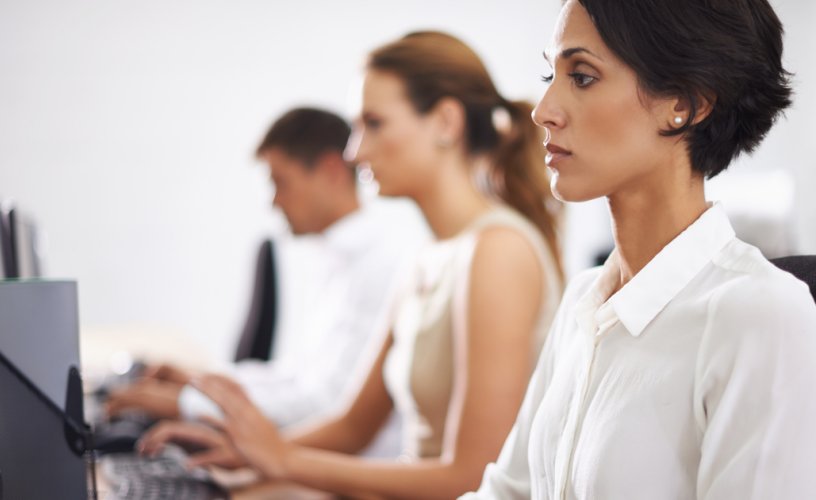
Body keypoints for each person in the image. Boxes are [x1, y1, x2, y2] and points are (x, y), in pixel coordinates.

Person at [137, 31, 565, 499]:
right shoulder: (426, 257)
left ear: (445, 121)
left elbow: (471, 477)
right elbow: (352, 425)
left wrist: (283, 460)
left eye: (374, 124)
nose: (353, 151)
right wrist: (245, 451)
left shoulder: (498, 252)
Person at [459, 1, 816, 499]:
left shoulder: (761, 317)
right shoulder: (583, 303)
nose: (542, 110)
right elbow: (508, 492)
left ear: (685, 103)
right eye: (550, 73)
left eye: (583, 76)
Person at [106, 107, 429, 436]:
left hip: (345, 472)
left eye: (280, 182)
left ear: (331, 169)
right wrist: (200, 381)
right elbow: (298, 376)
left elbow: (327, 404)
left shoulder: (379, 268)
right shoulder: (334, 259)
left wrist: (188, 404)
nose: (273, 201)